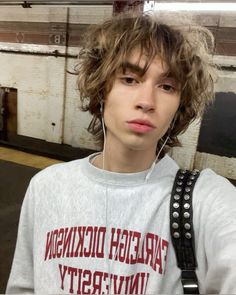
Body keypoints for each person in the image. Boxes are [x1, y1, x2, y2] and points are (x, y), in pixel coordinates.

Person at [6, 12, 236, 294]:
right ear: (102, 89)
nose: (146, 102)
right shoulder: (46, 187)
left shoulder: (204, 200)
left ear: (179, 104)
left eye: (167, 86)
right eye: (129, 79)